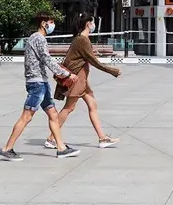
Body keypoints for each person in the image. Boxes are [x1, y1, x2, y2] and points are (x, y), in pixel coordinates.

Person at [0, 13, 80, 161]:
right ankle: (7, 148)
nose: (52, 25)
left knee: (53, 114)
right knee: (26, 116)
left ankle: (61, 148)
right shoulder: (39, 38)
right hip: (37, 84)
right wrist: (66, 74)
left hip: (41, 82)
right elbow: (47, 59)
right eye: (51, 22)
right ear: (43, 23)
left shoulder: (33, 38)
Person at [46, 14, 122, 149]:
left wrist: (92, 53)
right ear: (88, 24)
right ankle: (51, 138)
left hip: (82, 79)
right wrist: (112, 71)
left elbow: (85, 56)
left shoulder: (82, 39)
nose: (93, 25)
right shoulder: (82, 39)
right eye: (92, 22)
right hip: (77, 79)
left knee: (92, 105)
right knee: (69, 108)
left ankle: (102, 138)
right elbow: (94, 62)